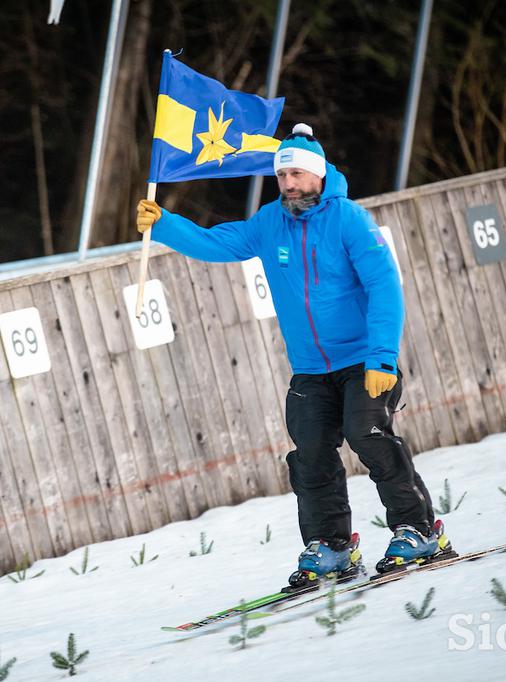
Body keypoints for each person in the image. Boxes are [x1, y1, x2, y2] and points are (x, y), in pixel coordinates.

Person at [135, 123, 455, 584]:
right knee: (311, 455)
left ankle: (419, 530)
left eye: (298, 175)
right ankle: (332, 546)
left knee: (367, 435)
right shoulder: (270, 222)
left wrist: (382, 357)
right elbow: (218, 243)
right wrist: (165, 225)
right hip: (309, 369)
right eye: (282, 177)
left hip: (364, 361)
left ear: (319, 175)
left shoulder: (348, 220)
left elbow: (384, 285)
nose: (289, 184)